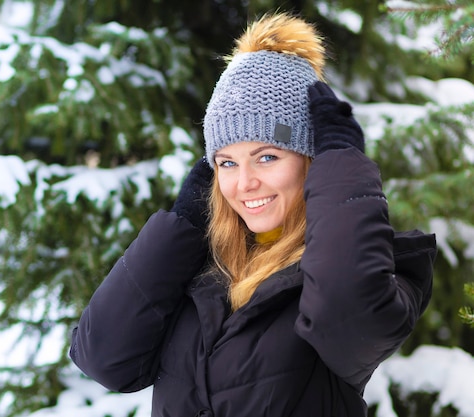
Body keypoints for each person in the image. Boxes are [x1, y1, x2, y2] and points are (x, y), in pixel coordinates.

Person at [69, 12, 436, 417]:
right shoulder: (198, 267)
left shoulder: (370, 268)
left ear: (314, 161)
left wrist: (344, 169)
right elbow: (104, 359)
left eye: (266, 156)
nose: (244, 184)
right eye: (226, 163)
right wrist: (184, 225)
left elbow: (349, 319)